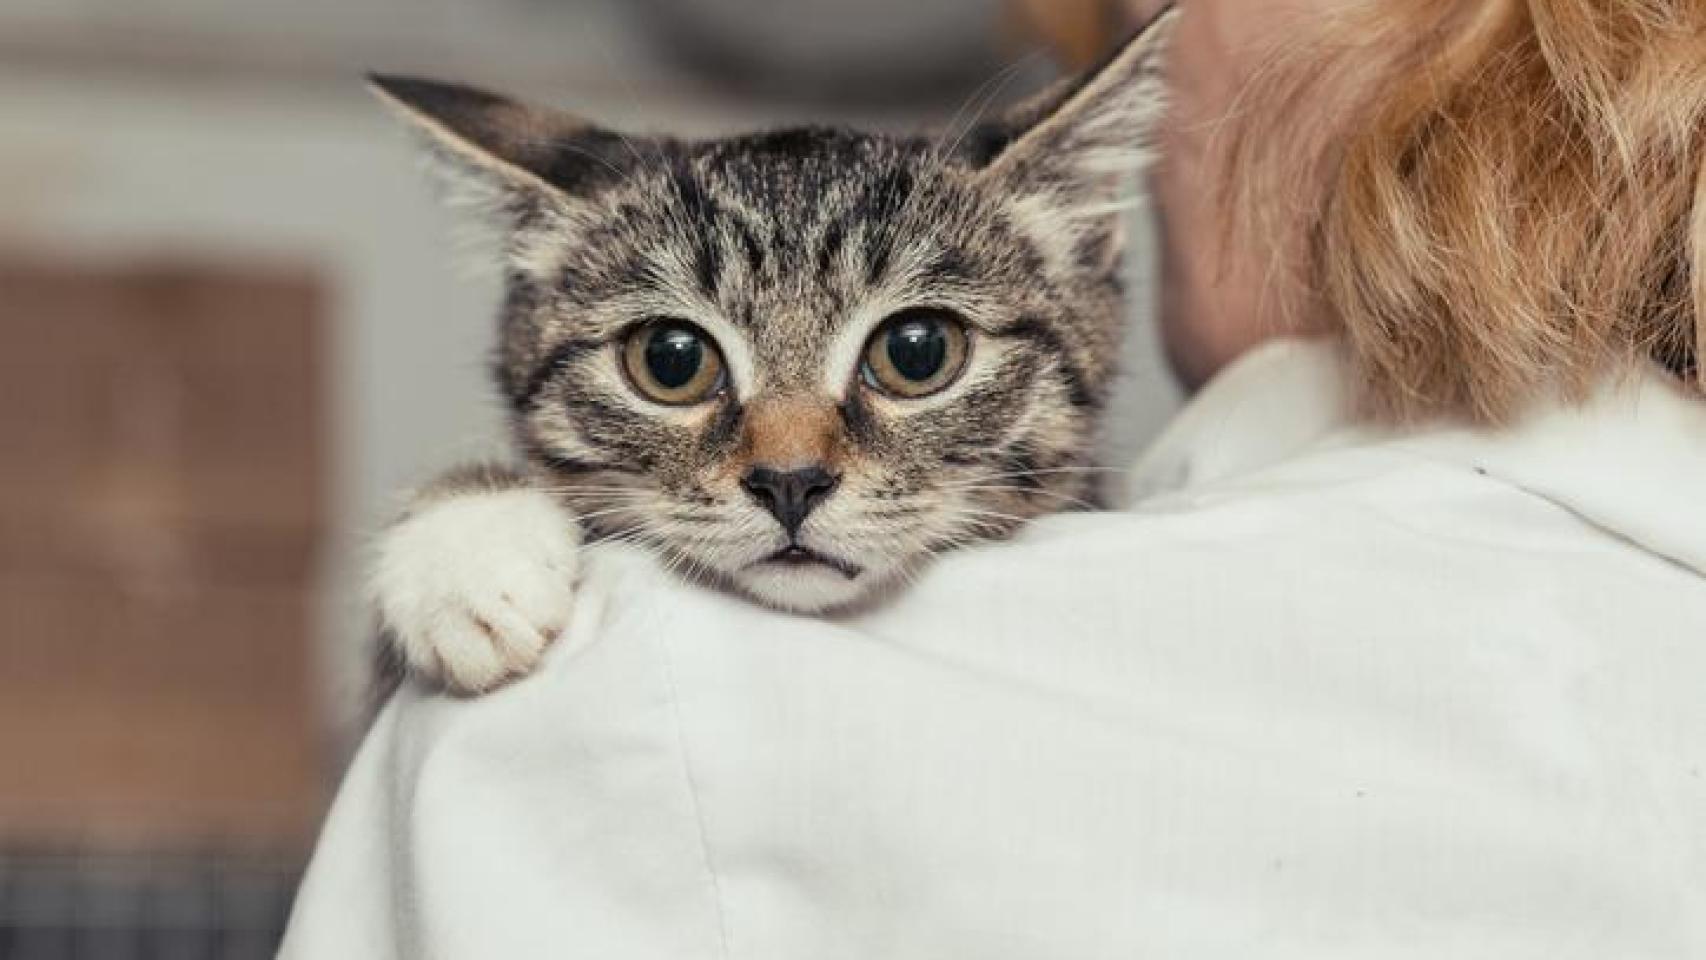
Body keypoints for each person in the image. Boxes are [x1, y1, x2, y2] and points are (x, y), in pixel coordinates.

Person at [283, 2, 1706, 955]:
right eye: (672, 363)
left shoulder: (642, 699)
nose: (789, 460)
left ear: (1094, 241)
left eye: (910, 351)